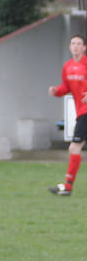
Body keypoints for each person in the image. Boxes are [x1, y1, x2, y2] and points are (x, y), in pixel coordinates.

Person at [47, 35, 87, 196]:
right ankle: (67, 186)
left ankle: (68, 187)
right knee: (75, 148)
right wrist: (56, 91)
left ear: (84, 48)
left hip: (86, 112)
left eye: (79, 44)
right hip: (81, 112)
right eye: (73, 43)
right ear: (70, 46)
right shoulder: (68, 66)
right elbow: (66, 87)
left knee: (74, 147)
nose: (76, 46)